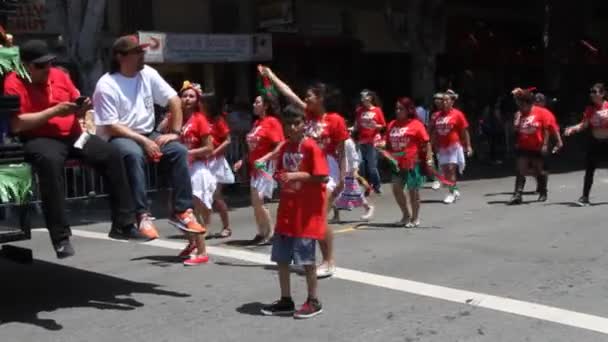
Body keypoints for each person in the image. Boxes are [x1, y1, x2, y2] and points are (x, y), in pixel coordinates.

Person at [4, 39, 139, 258]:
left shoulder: (59, 75)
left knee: (112, 154)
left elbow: (75, 102)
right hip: (40, 137)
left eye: (48, 63)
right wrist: (53, 112)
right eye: (40, 66)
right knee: (49, 163)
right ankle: (60, 237)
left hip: (74, 136)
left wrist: (81, 107)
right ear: (26, 66)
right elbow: (17, 124)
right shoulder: (13, 82)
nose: (47, 69)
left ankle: (124, 224)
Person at [93, 35, 206, 236]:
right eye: (137, 52)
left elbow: (173, 99)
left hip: (148, 133)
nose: (142, 55)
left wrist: (175, 132)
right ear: (121, 57)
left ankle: (182, 211)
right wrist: (144, 141)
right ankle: (142, 215)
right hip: (119, 136)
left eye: (142, 51)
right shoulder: (106, 84)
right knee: (133, 155)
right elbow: (111, 125)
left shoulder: (147, 73)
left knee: (179, 150)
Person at [260, 65, 348, 279]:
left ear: (320, 98)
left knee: (319, 215)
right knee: (311, 215)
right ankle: (314, 260)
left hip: (328, 169)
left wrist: (344, 179)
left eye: (309, 95)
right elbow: (288, 93)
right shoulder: (306, 116)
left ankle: (329, 261)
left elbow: (342, 151)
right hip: (306, 167)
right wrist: (271, 75)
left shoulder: (335, 120)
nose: (306, 98)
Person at [261, 105, 328, 319]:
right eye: (288, 124)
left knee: (306, 260)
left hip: (306, 213)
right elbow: (282, 172)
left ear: (304, 124)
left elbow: (322, 177)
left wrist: (297, 175)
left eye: (296, 123)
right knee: (282, 259)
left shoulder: (310, 147)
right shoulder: (285, 147)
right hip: (287, 211)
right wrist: (281, 177)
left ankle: (313, 300)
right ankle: (286, 299)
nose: (292, 127)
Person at [159, 81, 211, 265]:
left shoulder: (200, 119)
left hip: (195, 169)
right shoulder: (174, 118)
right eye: (184, 95)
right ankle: (192, 244)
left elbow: (209, 148)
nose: (187, 99)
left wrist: (187, 153)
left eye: (191, 96)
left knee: (191, 212)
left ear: (197, 100)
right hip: (179, 169)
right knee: (174, 212)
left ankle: (202, 251)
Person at [233, 94, 284, 245]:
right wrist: (242, 160)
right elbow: (252, 148)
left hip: (265, 165)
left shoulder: (272, 122)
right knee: (255, 201)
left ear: (266, 105)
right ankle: (261, 232)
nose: (254, 104)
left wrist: (264, 159)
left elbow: (280, 145)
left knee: (260, 199)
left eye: (257, 102)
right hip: (255, 165)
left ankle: (271, 233)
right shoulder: (257, 123)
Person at [385, 98, 433, 227]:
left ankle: (415, 218)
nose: (398, 111)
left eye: (401, 108)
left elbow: (426, 142)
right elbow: (388, 143)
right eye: (396, 108)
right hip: (397, 164)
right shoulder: (391, 125)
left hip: (412, 163)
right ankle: (406, 215)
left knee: (413, 192)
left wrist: (429, 159)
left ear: (408, 110)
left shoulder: (416, 124)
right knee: (396, 188)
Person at [564, 83, 608, 206]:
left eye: (595, 91)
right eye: (591, 92)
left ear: (603, 94)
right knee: (589, 170)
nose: (592, 94)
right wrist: (572, 129)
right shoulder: (590, 109)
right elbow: (584, 125)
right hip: (595, 142)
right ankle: (585, 197)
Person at [508, 88, 551, 205]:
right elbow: (516, 130)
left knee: (539, 171)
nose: (521, 107)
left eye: (522, 104)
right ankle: (517, 194)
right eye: (519, 105)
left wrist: (545, 144)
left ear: (528, 103)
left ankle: (543, 191)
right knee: (520, 169)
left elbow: (546, 129)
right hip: (523, 146)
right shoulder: (519, 113)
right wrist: (516, 123)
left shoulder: (540, 112)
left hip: (537, 146)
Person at [200, 92, 234, 237]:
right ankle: (205, 227)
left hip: (216, 162)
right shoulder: (200, 119)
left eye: (202, 102)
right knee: (203, 196)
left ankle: (226, 226)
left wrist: (215, 152)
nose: (199, 104)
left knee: (216, 195)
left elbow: (228, 140)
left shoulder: (218, 120)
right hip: (203, 162)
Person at [429, 90, 473, 204]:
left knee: (450, 169)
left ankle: (450, 193)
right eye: (442, 100)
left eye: (447, 100)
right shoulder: (436, 116)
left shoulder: (457, 114)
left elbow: (464, 131)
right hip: (441, 148)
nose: (444, 103)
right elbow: (433, 132)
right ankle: (454, 189)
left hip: (453, 146)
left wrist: (468, 146)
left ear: (452, 102)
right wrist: (430, 147)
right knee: (445, 172)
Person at [332, 134, 374, 223]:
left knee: (355, 193)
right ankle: (336, 216)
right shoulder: (333, 141)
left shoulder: (348, 142)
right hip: (337, 169)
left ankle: (368, 207)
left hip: (348, 171)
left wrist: (354, 170)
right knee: (335, 192)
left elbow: (354, 157)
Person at [354, 89, 385, 194]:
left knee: (372, 166)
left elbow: (383, 125)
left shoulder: (377, 110)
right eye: (361, 96)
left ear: (370, 98)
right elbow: (357, 124)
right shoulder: (359, 110)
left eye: (365, 96)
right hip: (361, 141)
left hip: (373, 141)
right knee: (361, 163)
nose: (362, 98)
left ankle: (376, 185)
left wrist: (376, 126)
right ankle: (366, 185)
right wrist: (352, 130)